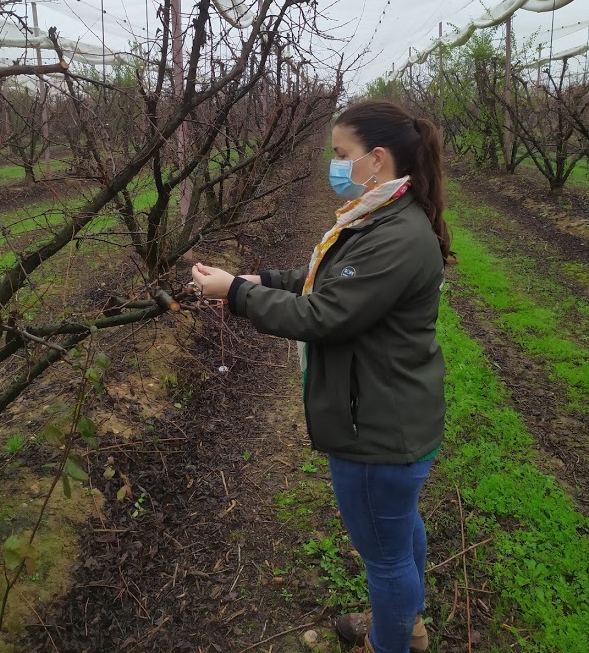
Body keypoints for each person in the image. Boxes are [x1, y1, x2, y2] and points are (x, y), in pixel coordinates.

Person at [191, 99, 450, 653]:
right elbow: (324, 281)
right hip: (392, 413)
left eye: (342, 154)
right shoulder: (380, 216)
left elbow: (323, 316)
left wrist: (236, 293)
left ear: (376, 159)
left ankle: (391, 640)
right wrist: (254, 278)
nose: (335, 165)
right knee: (399, 534)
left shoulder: (395, 235)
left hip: (378, 428)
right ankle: (407, 622)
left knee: (384, 556)